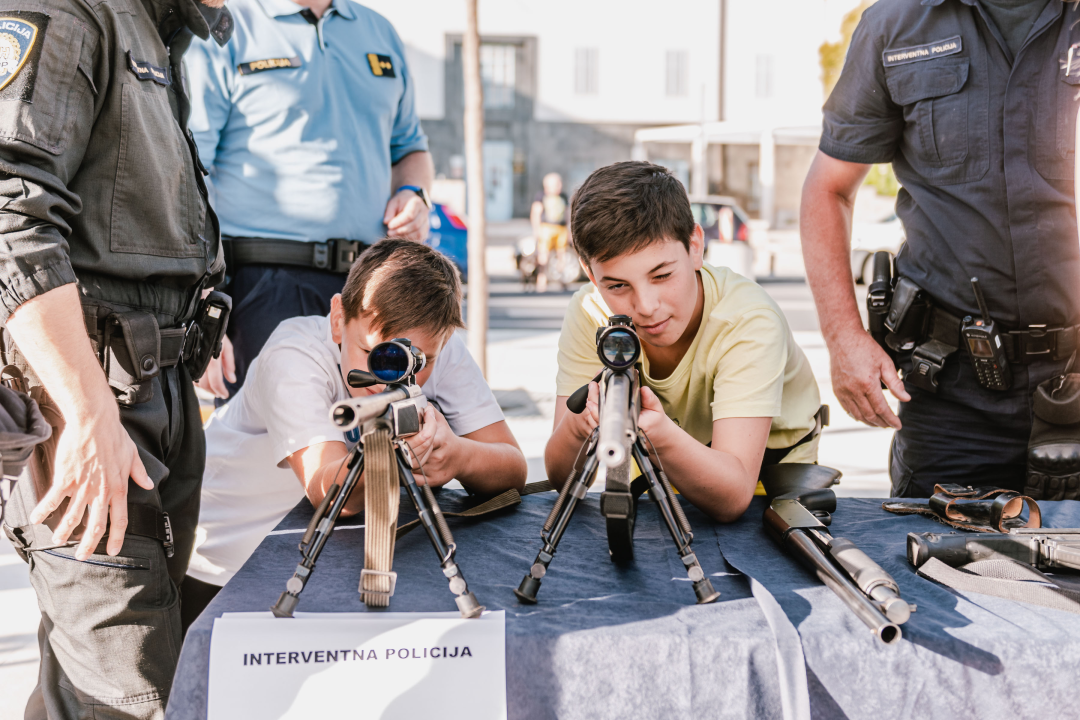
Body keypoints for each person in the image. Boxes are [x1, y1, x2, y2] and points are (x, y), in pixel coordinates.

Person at [0, 0, 234, 713]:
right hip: (95, 401)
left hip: (151, 395)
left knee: (92, 682)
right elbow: (11, 208)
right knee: (131, 694)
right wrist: (83, 405)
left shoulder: (156, 30)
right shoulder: (74, 8)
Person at [801, 0, 1080, 497]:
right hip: (952, 393)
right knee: (932, 569)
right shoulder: (897, 23)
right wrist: (843, 337)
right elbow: (829, 189)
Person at [180, 239, 528, 628]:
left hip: (335, 562)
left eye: (416, 362)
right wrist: (392, 450)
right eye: (373, 353)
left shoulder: (438, 347)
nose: (385, 380)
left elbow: (513, 468)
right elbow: (330, 493)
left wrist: (457, 455)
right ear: (337, 318)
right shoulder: (295, 354)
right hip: (225, 565)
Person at [184, 0, 435, 399]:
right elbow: (189, 173)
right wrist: (200, 307)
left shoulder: (379, 31)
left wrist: (414, 193)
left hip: (370, 284)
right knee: (272, 453)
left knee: (379, 440)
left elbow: (410, 149)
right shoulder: (229, 25)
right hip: (264, 285)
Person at [546, 162, 823, 522]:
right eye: (617, 285)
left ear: (695, 245)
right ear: (590, 274)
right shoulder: (589, 310)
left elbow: (733, 496)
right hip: (659, 465)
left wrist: (658, 434)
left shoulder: (747, 319)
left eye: (661, 275)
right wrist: (581, 424)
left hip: (767, 481)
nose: (646, 307)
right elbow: (560, 477)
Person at [530, 172, 571, 293]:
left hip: (561, 228)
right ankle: (541, 281)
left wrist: (569, 230)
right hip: (546, 228)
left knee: (562, 255)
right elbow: (536, 213)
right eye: (556, 184)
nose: (559, 186)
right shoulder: (541, 196)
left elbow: (568, 213)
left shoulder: (563, 197)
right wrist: (536, 230)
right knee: (544, 256)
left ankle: (562, 279)